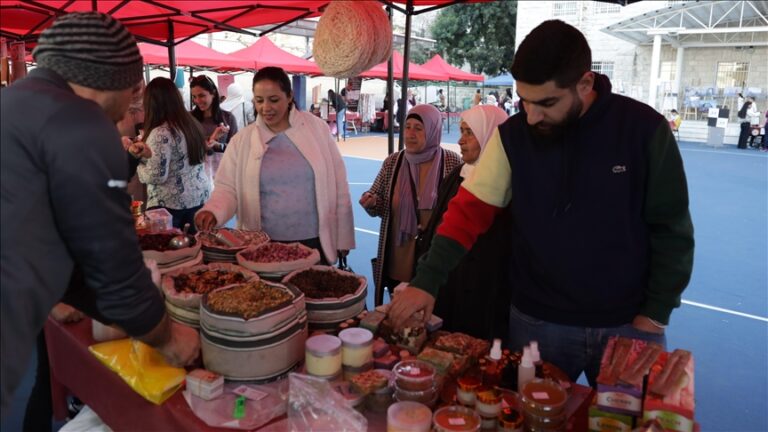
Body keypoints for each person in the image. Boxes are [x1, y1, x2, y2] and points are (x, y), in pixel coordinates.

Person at [388, 20, 694, 385]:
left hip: (627, 325)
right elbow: (468, 212)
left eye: (546, 103)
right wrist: (427, 282)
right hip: (537, 322)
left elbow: (672, 229)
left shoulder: (644, 130)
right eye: (524, 102)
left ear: (585, 83)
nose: (531, 116)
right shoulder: (512, 137)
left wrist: (656, 315)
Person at [1, 11, 199, 414]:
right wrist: (169, 339)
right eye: (132, 92)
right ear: (110, 79)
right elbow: (114, 268)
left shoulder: (16, 101)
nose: (132, 106)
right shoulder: (80, 126)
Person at [195, 67, 355, 264]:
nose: (266, 108)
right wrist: (213, 211)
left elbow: (339, 184)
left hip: (314, 241)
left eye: (274, 99)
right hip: (260, 245)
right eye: (259, 100)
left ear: (289, 97)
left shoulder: (317, 129)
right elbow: (227, 188)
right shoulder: (242, 140)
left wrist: (343, 236)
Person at [416, 105, 510, 340]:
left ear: (490, 135)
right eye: (461, 131)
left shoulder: (510, 184)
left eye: (470, 133)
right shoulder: (457, 174)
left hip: (487, 288)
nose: (460, 140)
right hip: (451, 283)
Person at [359, 104, 462, 306]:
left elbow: (458, 210)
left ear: (432, 130)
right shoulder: (393, 162)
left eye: (418, 128)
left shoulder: (451, 162)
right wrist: (371, 202)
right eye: (407, 127)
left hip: (433, 256)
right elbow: (380, 205)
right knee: (398, 311)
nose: (410, 134)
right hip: (398, 256)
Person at [137, 77, 211, 233]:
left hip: (170, 205)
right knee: (195, 249)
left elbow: (156, 176)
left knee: (170, 253)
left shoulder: (160, 132)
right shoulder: (191, 124)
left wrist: (138, 162)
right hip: (199, 198)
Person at [190, 74, 238, 179]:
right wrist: (212, 138)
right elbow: (185, 147)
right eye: (194, 96)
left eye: (202, 95)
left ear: (213, 93)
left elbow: (236, 150)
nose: (197, 101)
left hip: (222, 177)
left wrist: (218, 145)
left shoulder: (228, 118)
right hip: (195, 178)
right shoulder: (189, 119)